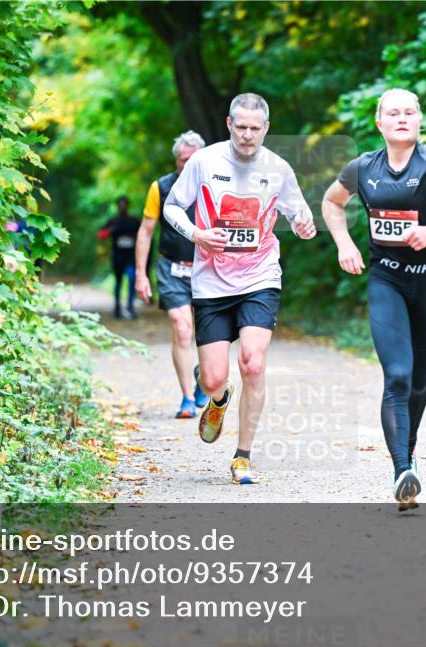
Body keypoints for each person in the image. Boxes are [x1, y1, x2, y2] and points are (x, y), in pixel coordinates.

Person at [321, 88, 426, 509]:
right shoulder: (363, 167)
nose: (401, 118)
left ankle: (408, 452)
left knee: (418, 381)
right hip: (387, 280)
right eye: (393, 113)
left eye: (409, 112)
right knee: (397, 375)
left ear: (419, 120)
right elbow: (331, 202)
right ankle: (401, 471)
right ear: (379, 123)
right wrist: (344, 244)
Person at [162, 92, 317, 484]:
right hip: (211, 282)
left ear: (266, 128)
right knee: (212, 379)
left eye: (255, 128)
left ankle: (243, 456)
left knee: (253, 362)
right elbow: (172, 206)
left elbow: (298, 211)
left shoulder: (278, 168)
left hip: (260, 277)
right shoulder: (204, 161)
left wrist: (303, 223)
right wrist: (197, 234)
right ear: (229, 124)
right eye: (241, 126)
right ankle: (218, 397)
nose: (248, 135)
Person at [135, 130, 211, 418]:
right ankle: (187, 399)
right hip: (171, 267)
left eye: (192, 160)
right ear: (176, 160)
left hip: (207, 268)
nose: (186, 165)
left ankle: (203, 377)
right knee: (182, 328)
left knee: (209, 333)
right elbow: (145, 231)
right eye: (182, 160)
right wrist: (141, 274)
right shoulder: (161, 187)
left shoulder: (216, 185)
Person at [99, 196, 141, 319]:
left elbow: (143, 235)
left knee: (132, 279)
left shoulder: (134, 221)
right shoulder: (113, 221)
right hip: (117, 256)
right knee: (118, 281)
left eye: (125, 204)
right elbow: (100, 235)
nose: (122, 206)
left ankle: (130, 306)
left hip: (131, 256)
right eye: (120, 204)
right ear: (117, 206)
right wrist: (111, 231)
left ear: (128, 205)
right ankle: (117, 307)